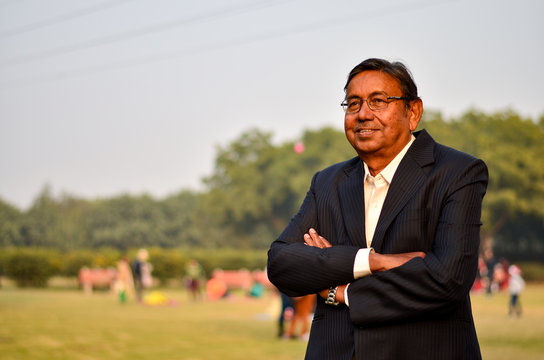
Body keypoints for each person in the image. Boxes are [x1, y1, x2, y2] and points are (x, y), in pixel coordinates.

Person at [267, 58, 489, 359]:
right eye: (353, 103)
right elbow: (281, 263)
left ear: (413, 112)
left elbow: (447, 279)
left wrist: (343, 292)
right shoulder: (328, 182)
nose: (362, 115)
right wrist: (374, 262)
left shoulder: (457, 172)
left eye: (378, 101)